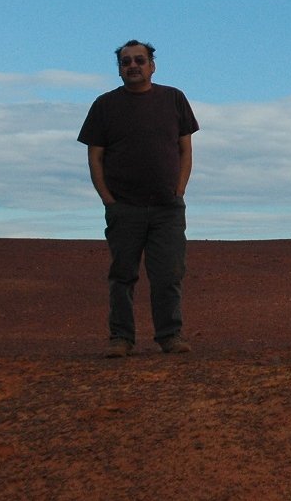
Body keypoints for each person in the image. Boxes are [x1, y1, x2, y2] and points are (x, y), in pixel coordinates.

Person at [77, 40, 200, 358]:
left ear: (152, 65)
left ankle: (170, 336)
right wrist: (108, 200)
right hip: (124, 207)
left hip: (166, 207)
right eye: (126, 62)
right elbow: (95, 157)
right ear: (119, 69)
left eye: (139, 60)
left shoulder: (174, 99)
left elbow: (185, 149)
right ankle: (121, 338)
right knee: (122, 275)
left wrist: (180, 189)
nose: (133, 66)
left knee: (168, 274)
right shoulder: (104, 105)